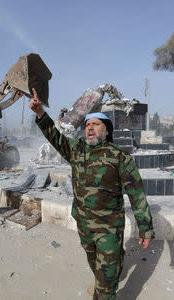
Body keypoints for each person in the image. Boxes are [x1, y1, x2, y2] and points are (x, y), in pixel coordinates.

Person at [29, 88, 154, 299]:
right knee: (95, 265)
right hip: (84, 226)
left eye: (95, 124)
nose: (89, 128)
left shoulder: (120, 157)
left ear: (106, 130)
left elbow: (137, 195)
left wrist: (145, 227)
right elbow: (55, 137)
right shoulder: (77, 150)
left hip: (108, 230)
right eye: (87, 124)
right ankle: (112, 270)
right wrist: (41, 113)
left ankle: (107, 284)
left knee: (105, 287)